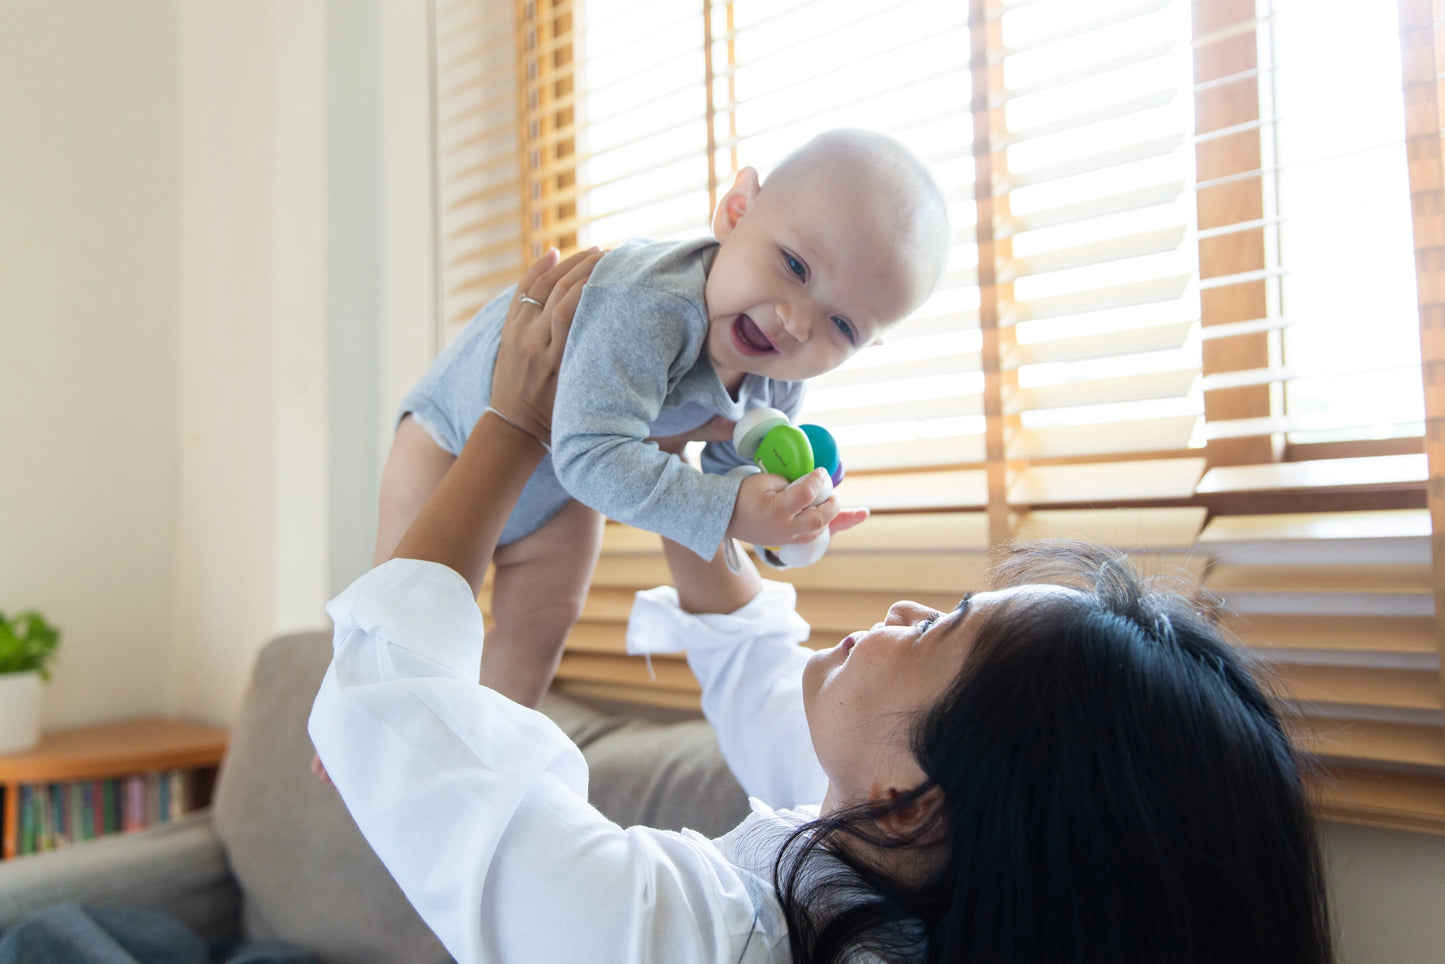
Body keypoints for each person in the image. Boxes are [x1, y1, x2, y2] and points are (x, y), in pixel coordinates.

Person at [309, 252, 1334, 963]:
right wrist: (695, 474)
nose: (901, 607)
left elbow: (391, 708)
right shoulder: (905, 882)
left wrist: (514, 421)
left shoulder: (700, 938)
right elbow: (759, 676)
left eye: (939, 625)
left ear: (910, 800)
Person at [380, 127, 951, 707]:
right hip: (452, 441)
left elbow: (730, 480)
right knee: (404, 620)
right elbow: (593, 453)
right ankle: (379, 710)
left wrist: (785, 525)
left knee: (543, 621)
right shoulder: (650, 303)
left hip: (561, 486)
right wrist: (732, 509)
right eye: (795, 266)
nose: (798, 323)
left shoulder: (777, 383)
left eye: (843, 325)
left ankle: (490, 748)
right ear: (736, 212)